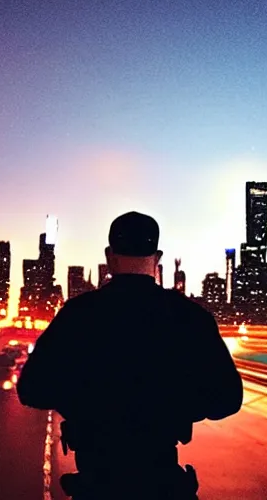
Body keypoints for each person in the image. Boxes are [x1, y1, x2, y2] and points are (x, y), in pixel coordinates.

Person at [17, 211, 243, 499]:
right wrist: (172, 408)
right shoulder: (188, 316)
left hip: (98, 484)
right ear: (157, 256)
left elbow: (32, 389)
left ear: (110, 256)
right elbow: (227, 398)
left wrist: (87, 404)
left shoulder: (78, 315)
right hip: (163, 483)